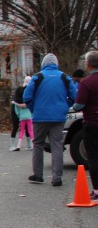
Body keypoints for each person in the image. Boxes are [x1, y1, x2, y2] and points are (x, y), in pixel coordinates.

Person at [24, 53, 77, 186]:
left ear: (43, 64)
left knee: (38, 144)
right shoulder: (64, 77)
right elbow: (74, 96)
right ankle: (57, 177)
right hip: (58, 116)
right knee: (57, 145)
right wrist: (65, 106)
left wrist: (34, 109)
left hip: (40, 116)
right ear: (56, 63)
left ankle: (38, 175)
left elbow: (27, 97)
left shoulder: (37, 77)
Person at [72, 50, 98, 199]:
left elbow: (78, 105)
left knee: (93, 156)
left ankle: (97, 190)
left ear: (88, 64)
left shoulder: (86, 83)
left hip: (92, 122)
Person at [10, 76, 34, 152]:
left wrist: (18, 104)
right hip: (25, 113)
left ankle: (13, 145)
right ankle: (29, 144)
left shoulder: (19, 89)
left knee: (17, 127)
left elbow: (16, 100)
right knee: (28, 129)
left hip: (17, 110)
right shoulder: (29, 91)